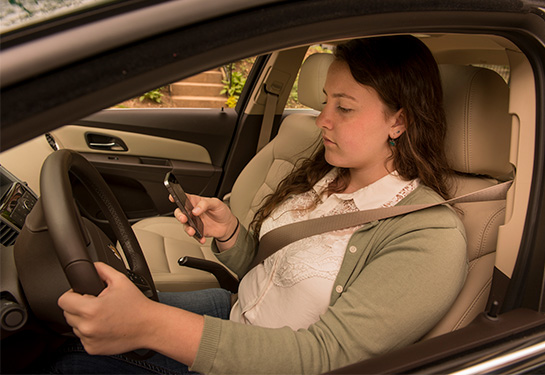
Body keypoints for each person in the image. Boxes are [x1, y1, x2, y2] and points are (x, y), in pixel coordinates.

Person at [50, 35, 467, 374]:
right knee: (62, 326)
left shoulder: (428, 234)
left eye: (344, 107)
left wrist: (150, 325)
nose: (322, 118)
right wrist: (230, 233)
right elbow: (274, 275)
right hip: (233, 310)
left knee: (70, 363)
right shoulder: (327, 174)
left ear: (399, 121)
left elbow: (325, 358)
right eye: (325, 101)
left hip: (259, 359)